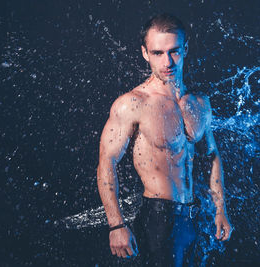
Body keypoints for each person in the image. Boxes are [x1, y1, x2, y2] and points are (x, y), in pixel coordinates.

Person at [97, 13, 232, 266]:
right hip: (158, 219)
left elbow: (212, 155)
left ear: (186, 49)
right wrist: (116, 225)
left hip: (194, 218)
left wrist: (220, 209)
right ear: (145, 53)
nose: (167, 61)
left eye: (174, 51)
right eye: (157, 53)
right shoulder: (133, 104)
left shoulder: (200, 103)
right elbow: (107, 162)